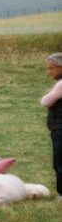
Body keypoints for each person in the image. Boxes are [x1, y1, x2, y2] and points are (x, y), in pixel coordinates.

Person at [41, 52, 62, 199]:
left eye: (52, 68)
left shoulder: (61, 84)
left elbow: (46, 101)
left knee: (60, 162)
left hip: (60, 128)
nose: (50, 72)